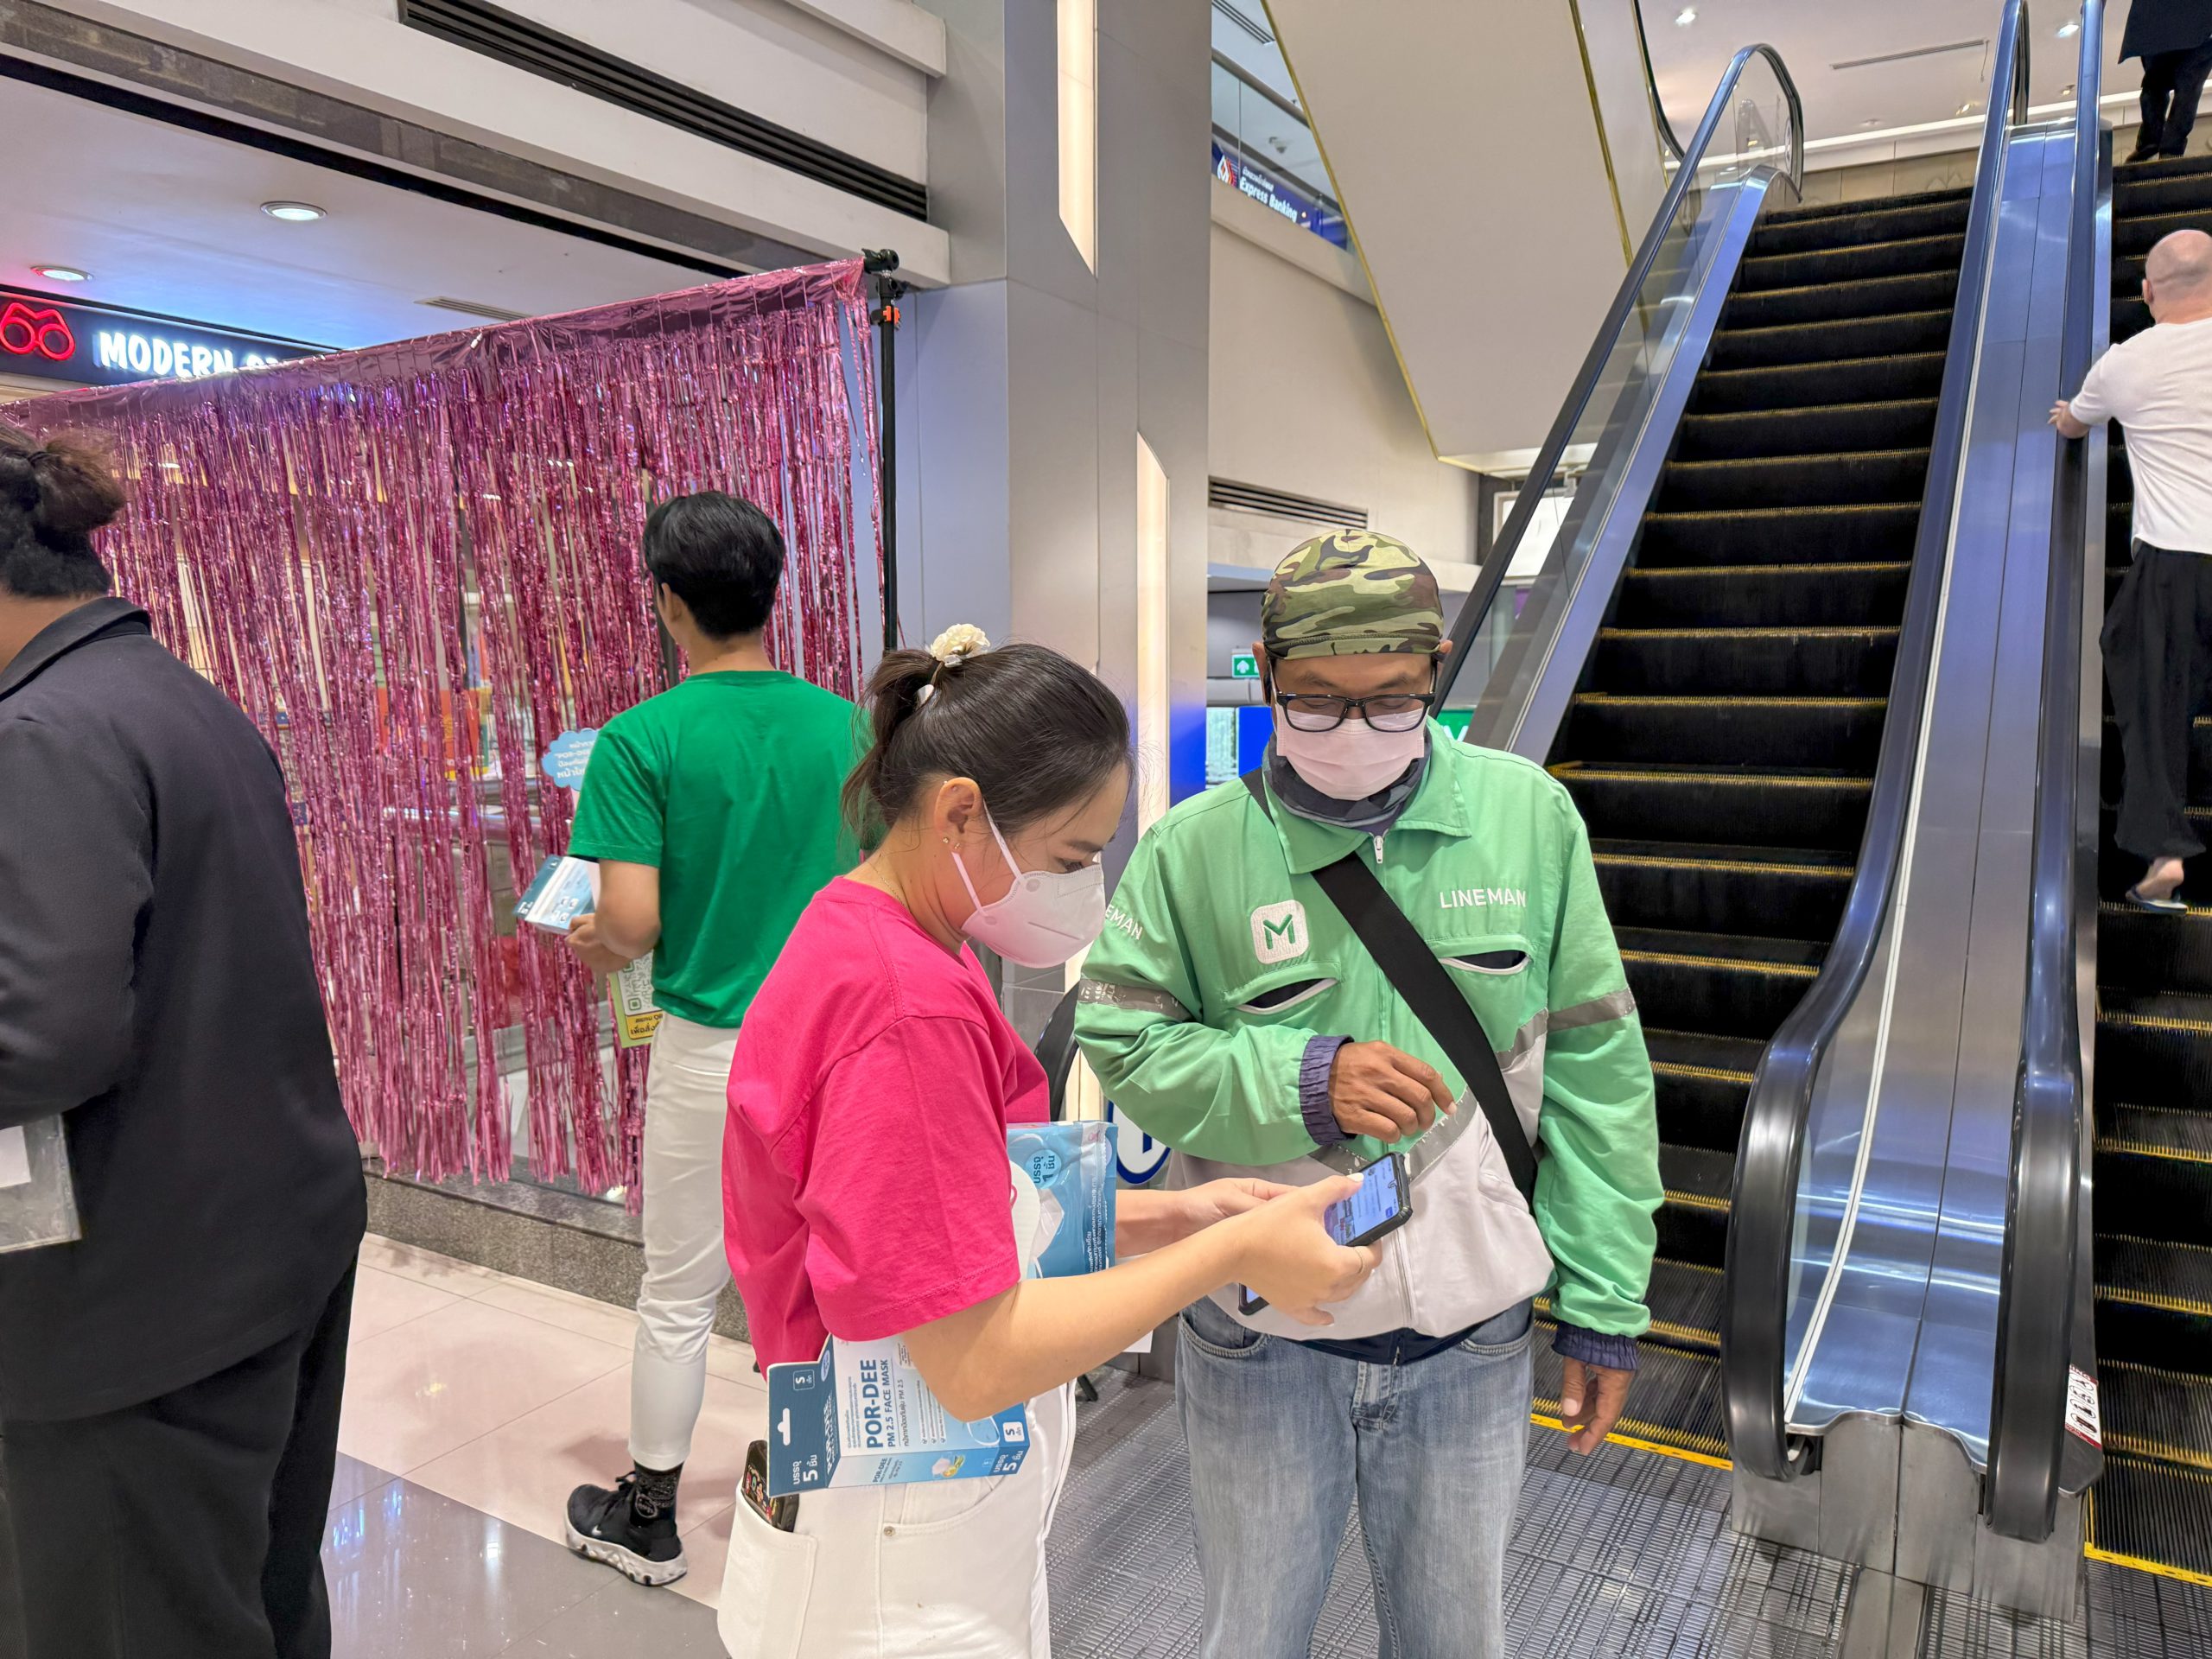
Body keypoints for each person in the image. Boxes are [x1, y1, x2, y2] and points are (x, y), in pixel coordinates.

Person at [715, 628, 1377, 1658]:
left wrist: (1177, 1214)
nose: (1085, 887)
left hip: (893, 1497)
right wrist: (1229, 1254)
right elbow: (973, 1360)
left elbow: (948, 1207)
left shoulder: (877, 933)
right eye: (1070, 858)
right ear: (960, 812)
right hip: (897, 1549)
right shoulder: (909, 1010)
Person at [1074, 531, 1663, 1659]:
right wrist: (1299, 1078)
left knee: (1456, 1639)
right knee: (1252, 1636)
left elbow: (1599, 1073)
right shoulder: (1194, 850)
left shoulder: (1530, 821)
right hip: (1260, 1342)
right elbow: (1124, 1045)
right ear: (1264, 676)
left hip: (1471, 1341)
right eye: (1315, 699)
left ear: (1437, 669)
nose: (1353, 730)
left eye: (1391, 699)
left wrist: (1605, 1302)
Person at [0, 423, 366, 1658]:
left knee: (133, 1614)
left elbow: (41, 1034)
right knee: (257, 1591)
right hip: (265, 1242)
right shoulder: (175, 697)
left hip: (135, 1300)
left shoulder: (41, 733)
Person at [558, 491, 862, 1583]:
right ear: (773, 595)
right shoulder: (854, 728)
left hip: (713, 1053)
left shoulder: (641, 739)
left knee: (679, 1289)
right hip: (839, 1047)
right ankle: (815, 1508)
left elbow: (632, 922)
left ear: (667, 603)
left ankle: (649, 1517)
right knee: (824, 1283)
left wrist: (595, 940)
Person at [2055, 230, 2212, 912]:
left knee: (2152, 699)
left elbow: (2073, 423)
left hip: (2176, 559)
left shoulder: (2125, 363)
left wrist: (2069, 414)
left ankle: (2165, 859)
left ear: (2147, 292)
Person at [2124, 0, 2212, 162]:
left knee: (2186, 89)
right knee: (2154, 88)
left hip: (2199, 26)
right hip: (2160, 21)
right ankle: (2152, 141)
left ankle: (2169, 147)